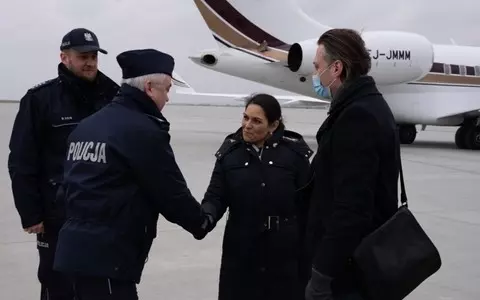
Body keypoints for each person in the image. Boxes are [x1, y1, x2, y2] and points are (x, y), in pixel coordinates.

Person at [52, 48, 212, 300]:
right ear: (149, 87)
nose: (167, 98)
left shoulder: (87, 127)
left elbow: (66, 190)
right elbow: (169, 191)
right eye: (167, 89)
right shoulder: (142, 131)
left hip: (71, 253)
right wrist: (201, 222)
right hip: (107, 259)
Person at [7, 27, 119, 300]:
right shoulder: (39, 100)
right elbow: (22, 160)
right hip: (58, 214)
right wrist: (31, 214)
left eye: (93, 56)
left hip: (103, 213)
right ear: (64, 57)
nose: (90, 62)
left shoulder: (114, 97)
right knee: (57, 283)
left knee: (102, 284)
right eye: (82, 56)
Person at [304, 28, 401, 300]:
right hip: (353, 261)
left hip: (347, 269)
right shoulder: (369, 106)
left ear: (336, 68)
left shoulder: (358, 117)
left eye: (317, 67)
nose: (314, 75)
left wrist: (322, 274)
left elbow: (352, 207)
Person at [199, 93, 314, 300]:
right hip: (242, 252)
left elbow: (308, 205)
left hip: (285, 255)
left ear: (273, 124)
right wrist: (204, 217)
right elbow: (215, 195)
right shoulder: (230, 153)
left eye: (256, 121)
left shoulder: (294, 155)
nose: (247, 125)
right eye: (245, 118)